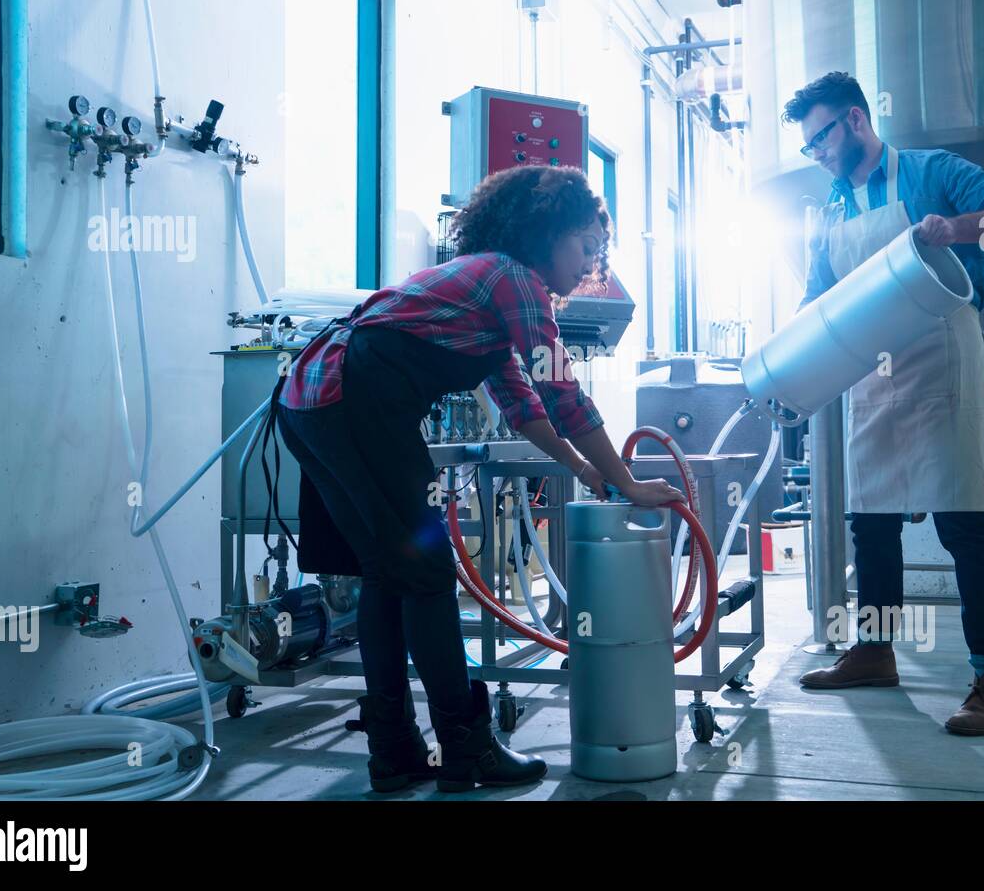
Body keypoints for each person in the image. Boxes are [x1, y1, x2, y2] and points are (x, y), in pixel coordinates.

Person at [275, 165, 683, 792]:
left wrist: (583, 470)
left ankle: (395, 750)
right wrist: (626, 481)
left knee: (389, 571)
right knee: (429, 570)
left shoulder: (487, 289)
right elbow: (564, 392)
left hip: (311, 399)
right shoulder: (514, 279)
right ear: (545, 234)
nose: (590, 267)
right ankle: (467, 750)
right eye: (584, 247)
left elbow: (523, 403)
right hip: (351, 394)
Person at [786, 71, 984, 736]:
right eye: (808, 147)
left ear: (854, 119)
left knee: (962, 522)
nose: (816, 154)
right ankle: (874, 650)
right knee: (870, 518)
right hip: (871, 373)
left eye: (819, 139)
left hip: (942, 360)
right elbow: (819, 301)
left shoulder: (930, 172)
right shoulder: (833, 209)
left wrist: (956, 227)